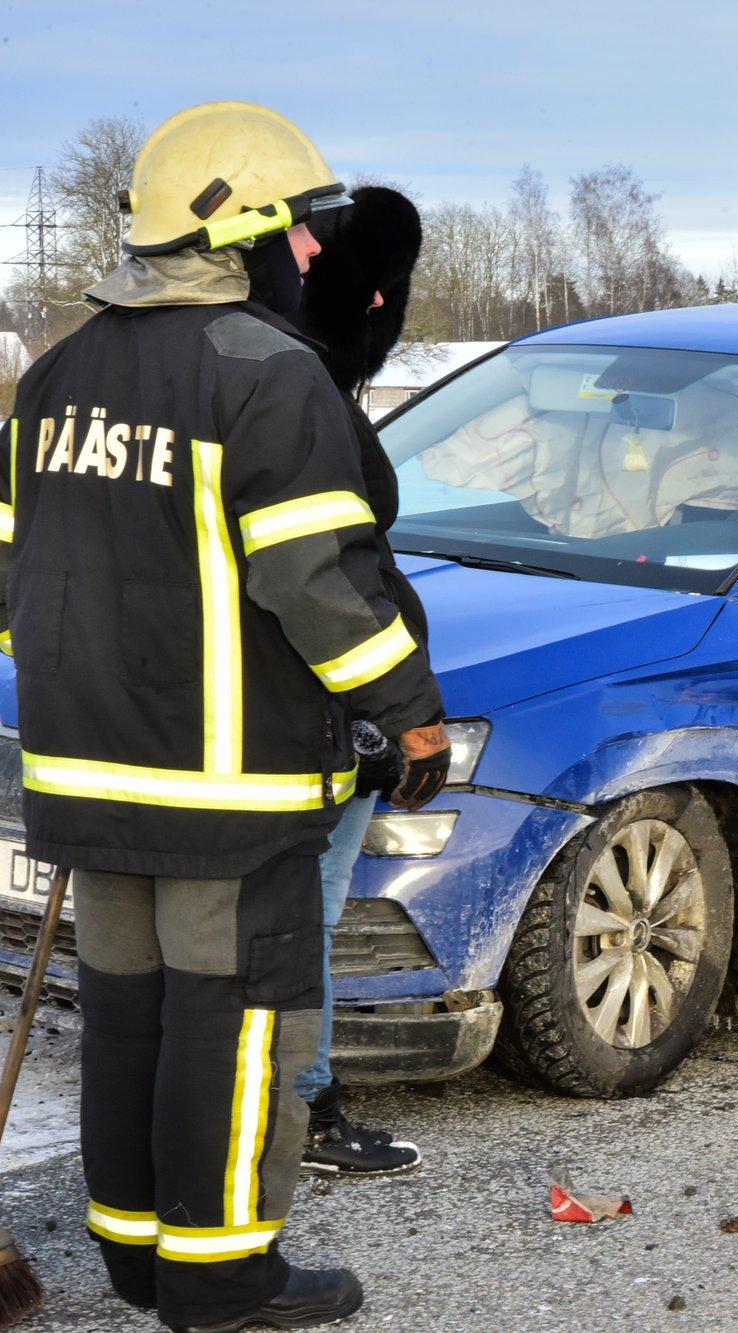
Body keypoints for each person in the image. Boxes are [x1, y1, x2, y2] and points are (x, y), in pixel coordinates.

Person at [0, 101, 449, 1331]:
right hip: (228, 788)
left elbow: (15, 574)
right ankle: (222, 1278)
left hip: (89, 776)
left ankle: (138, 1257)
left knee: (129, 1020)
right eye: (301, 227)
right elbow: (320, 584)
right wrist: (409, 714)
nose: (315, 252)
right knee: (238, 1022)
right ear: (244, 233)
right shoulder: (267, 374)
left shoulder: (58, 372)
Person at [288, 185, 431, 1178]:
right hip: (306, 715)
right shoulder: (296, 397)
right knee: (298, 921)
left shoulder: (247, 377)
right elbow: (320, 581)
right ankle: (300, 1107)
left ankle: (282, 1100)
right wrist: (395, 716)